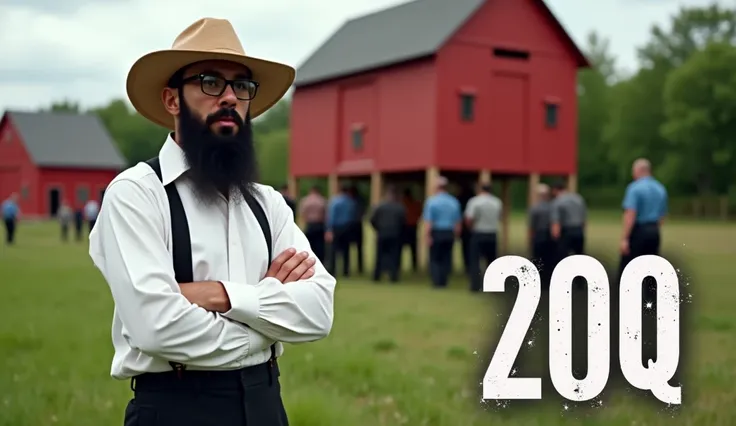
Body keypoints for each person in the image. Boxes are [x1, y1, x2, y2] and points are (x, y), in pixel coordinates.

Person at [88, 18, 336, 426]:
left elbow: (319, 311)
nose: (230, 98)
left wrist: (220, 295)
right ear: (172, 100)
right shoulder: (137, 194)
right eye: (210, 82)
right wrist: (266, 327)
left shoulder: (267, 203)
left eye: (242, 86)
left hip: (266, 405)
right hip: (176, 407)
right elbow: (157, 328)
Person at [619, 158, 668, 274]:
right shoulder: (660, 189)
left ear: (639, 170)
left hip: (639, 231)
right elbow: (662, 216)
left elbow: (630, 214)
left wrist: (625, 238)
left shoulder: (634, 188)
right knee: (651, 269)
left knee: (629, 269)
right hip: (654, 231)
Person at [422, 176, 462, 288]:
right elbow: (458, 221)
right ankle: (444, 280)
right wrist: (456, 234)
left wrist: (427, 235)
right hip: (449, 232)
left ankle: (437, 281)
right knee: (446, 257)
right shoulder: (454, 202)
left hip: (437, 231)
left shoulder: (431, 202)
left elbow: (429, 221)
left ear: (436, 187)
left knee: (435, 258)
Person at [464, 183, 502, 292]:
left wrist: (470, 228)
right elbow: (499, 216)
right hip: (492, 233)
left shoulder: (474, 201)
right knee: (491, 261)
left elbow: (469, 218)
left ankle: (475, 285)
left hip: (479, 232)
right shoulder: (497, 202)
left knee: (475, 260)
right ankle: (493, 286)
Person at [369, 185, 406, 283]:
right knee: (394, 255)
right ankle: (393, 276)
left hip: (382, 233)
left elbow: (372, 220)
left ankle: (377, 276)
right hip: (395, 234)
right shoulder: (400, 208)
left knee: (379, 255)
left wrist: (378, 229)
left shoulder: (380, 207)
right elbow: (403, 222)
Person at [550, 180, 587, 259]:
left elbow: (556, 221)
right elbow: (584, 218)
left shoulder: (557, 201)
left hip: (566, 231)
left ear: (555, 190)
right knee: (579, 256)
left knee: (563, 257)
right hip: (579, 230)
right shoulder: (578, 198)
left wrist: (555, 237)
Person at [326, 183, 357, 277]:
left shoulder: (335, 201)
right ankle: (346, 270)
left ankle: (332, 270)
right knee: (346, 250)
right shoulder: (351, 202)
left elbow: (331, 216)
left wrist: (329, 229)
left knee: (333, 250)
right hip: (347, 227)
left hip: (336, 227)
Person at [528, 184, 555, 288]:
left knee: (537, 259)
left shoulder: (535, 208)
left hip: (539, 235)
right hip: (550, 235)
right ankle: (548, 281)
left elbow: (532, 226)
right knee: (549, 259)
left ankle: (537, 281)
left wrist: (530, 239)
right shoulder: (552, 207)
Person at [299, 185, 327, 262]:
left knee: (310, 246)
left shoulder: (305, 200)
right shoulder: (322, 200)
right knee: (320, 247)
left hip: (309, 225)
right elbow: (326, 214)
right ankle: (320, 261)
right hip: (319, 225)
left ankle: (310, 261)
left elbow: (302, 213)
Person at [401, 188, 421, 272]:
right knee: (413, 247)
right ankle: (415, 265)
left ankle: (398, 264)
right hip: (413, 226)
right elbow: (419, 213)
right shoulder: (416, 203)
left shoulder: (402, 203)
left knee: (400, 247)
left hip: (404, 226)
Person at [347, 185, 365, 274]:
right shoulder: (360, 201)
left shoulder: (349, 201)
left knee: (348, 247)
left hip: (351, 224)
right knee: (359, 247)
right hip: (357, 224)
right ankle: (360, 267)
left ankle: (348, 268)